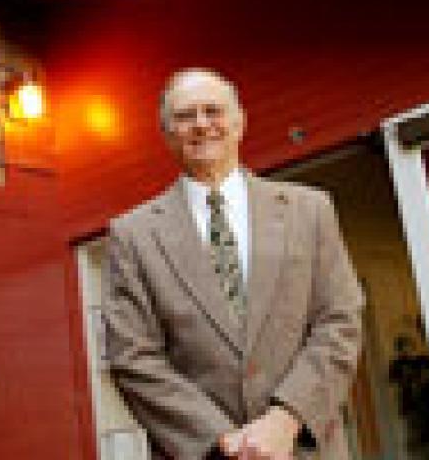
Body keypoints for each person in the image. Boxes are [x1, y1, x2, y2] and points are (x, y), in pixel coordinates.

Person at [104, 68, 364, 459]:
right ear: (167, 133)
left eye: (213, 111)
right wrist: (224, 440)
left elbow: (340, 320)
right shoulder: (132, 235)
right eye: (185, 116)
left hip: (304, 447)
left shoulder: (309, 210)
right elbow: (132, 357)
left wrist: (286, 418)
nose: (202, 124)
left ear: (240, 121)